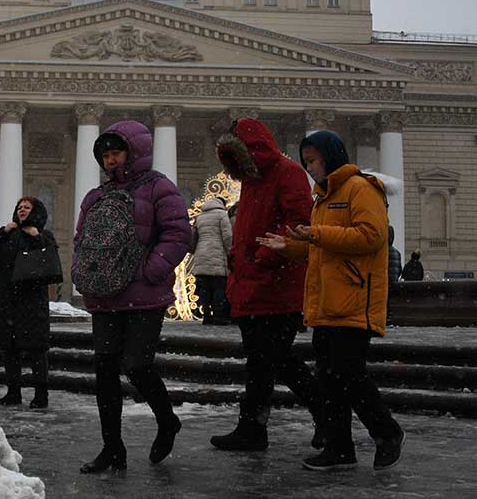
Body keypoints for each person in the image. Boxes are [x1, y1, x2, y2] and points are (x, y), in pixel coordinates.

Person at [259, 130, 405, 471]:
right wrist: (291, 245)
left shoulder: (361, 188)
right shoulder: (323, 198)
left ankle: (387, 433)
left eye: (313, 160)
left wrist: (317, 233)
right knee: (329, 380)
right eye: (305, 161)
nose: (309, 168)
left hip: (354, 300)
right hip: (326, 302)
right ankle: (340, 449)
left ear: (331, 155)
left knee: (348, 374)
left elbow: (372, 236)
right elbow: (319, 246)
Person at [73, 121, 192, 472]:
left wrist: (151, 272)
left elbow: (178, 233)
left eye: (116, 153)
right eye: (105, 155)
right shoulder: (96, 196)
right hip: (104, 295)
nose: (110, 161)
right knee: (105, 371)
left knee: (137, 365)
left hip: (144, 296)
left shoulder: (158, 187)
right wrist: (84, 273)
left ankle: (167, 420)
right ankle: (112, 448)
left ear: (134, 152)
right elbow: (82, 239)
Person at [209, 118, 320, 452]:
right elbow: (249, 227)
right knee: (260, 363)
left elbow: (299, 223)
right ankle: (252, 428)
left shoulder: (286, 173)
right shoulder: (253, 180)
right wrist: (237, 256)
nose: (236, 168)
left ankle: (328, 417)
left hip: (277, 286)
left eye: (237, 158)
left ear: (253, 150)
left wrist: (262, 256)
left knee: (278, 359)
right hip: (251, 285)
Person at [0, 196, 55, 409]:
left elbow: (51, 262)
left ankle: (41, 394)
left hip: (33, 301)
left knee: (36, 350)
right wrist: (2, 231)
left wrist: (38, 237)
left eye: (27, 207)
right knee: (10, 349)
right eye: (20, 207)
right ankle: (13, 392)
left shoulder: (44, 236)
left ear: (36, 211)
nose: (22, 210)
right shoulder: (8, 235)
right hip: (8, 301)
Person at [189, 196, 232, 325]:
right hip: (217, 254)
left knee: (204, 287)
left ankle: (206, 315)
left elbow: (195, 236)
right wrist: (230, 251)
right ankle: (218, 316)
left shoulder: (200, 216)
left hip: (201, 254)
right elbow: (227, 235)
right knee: (218, 287)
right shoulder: (222, 215)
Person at [387, 226, 402, 325]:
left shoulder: (383, 252)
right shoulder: (397, 252)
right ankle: (390, 317)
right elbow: (400, 270)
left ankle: (387, 317)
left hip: (385, 281)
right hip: (393, 282)